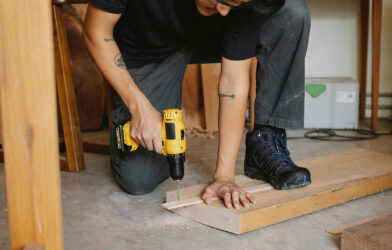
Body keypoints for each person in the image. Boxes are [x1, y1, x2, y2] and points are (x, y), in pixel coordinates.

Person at [83, 0, 311, 210]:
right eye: (223, 1)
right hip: (147, 52)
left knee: (291, 12)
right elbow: (96, 31)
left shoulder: (236, 5)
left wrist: (224, 177)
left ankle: (265, 141)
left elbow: (233, 81)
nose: (224, 10)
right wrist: (139, 108)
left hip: (211, 38)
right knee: (138, 179)